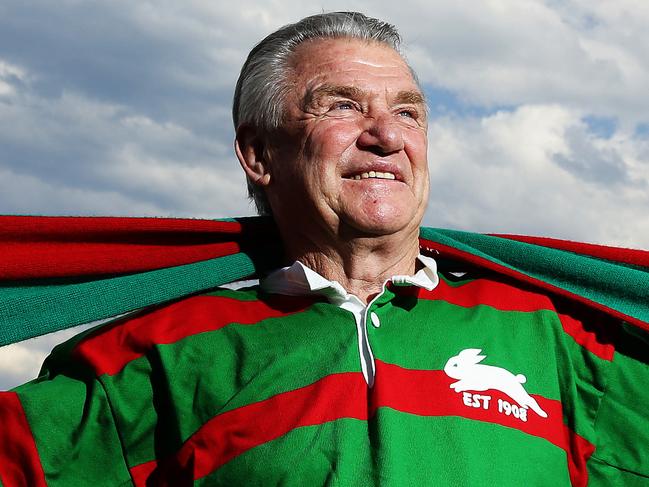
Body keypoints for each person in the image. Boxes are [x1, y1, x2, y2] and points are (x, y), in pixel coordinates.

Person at [1, 11, 648, 487]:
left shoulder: (552, 336)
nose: (385, 136)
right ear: (259, 154)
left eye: (408, 113)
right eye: (341, 105)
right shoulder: (166, 352)